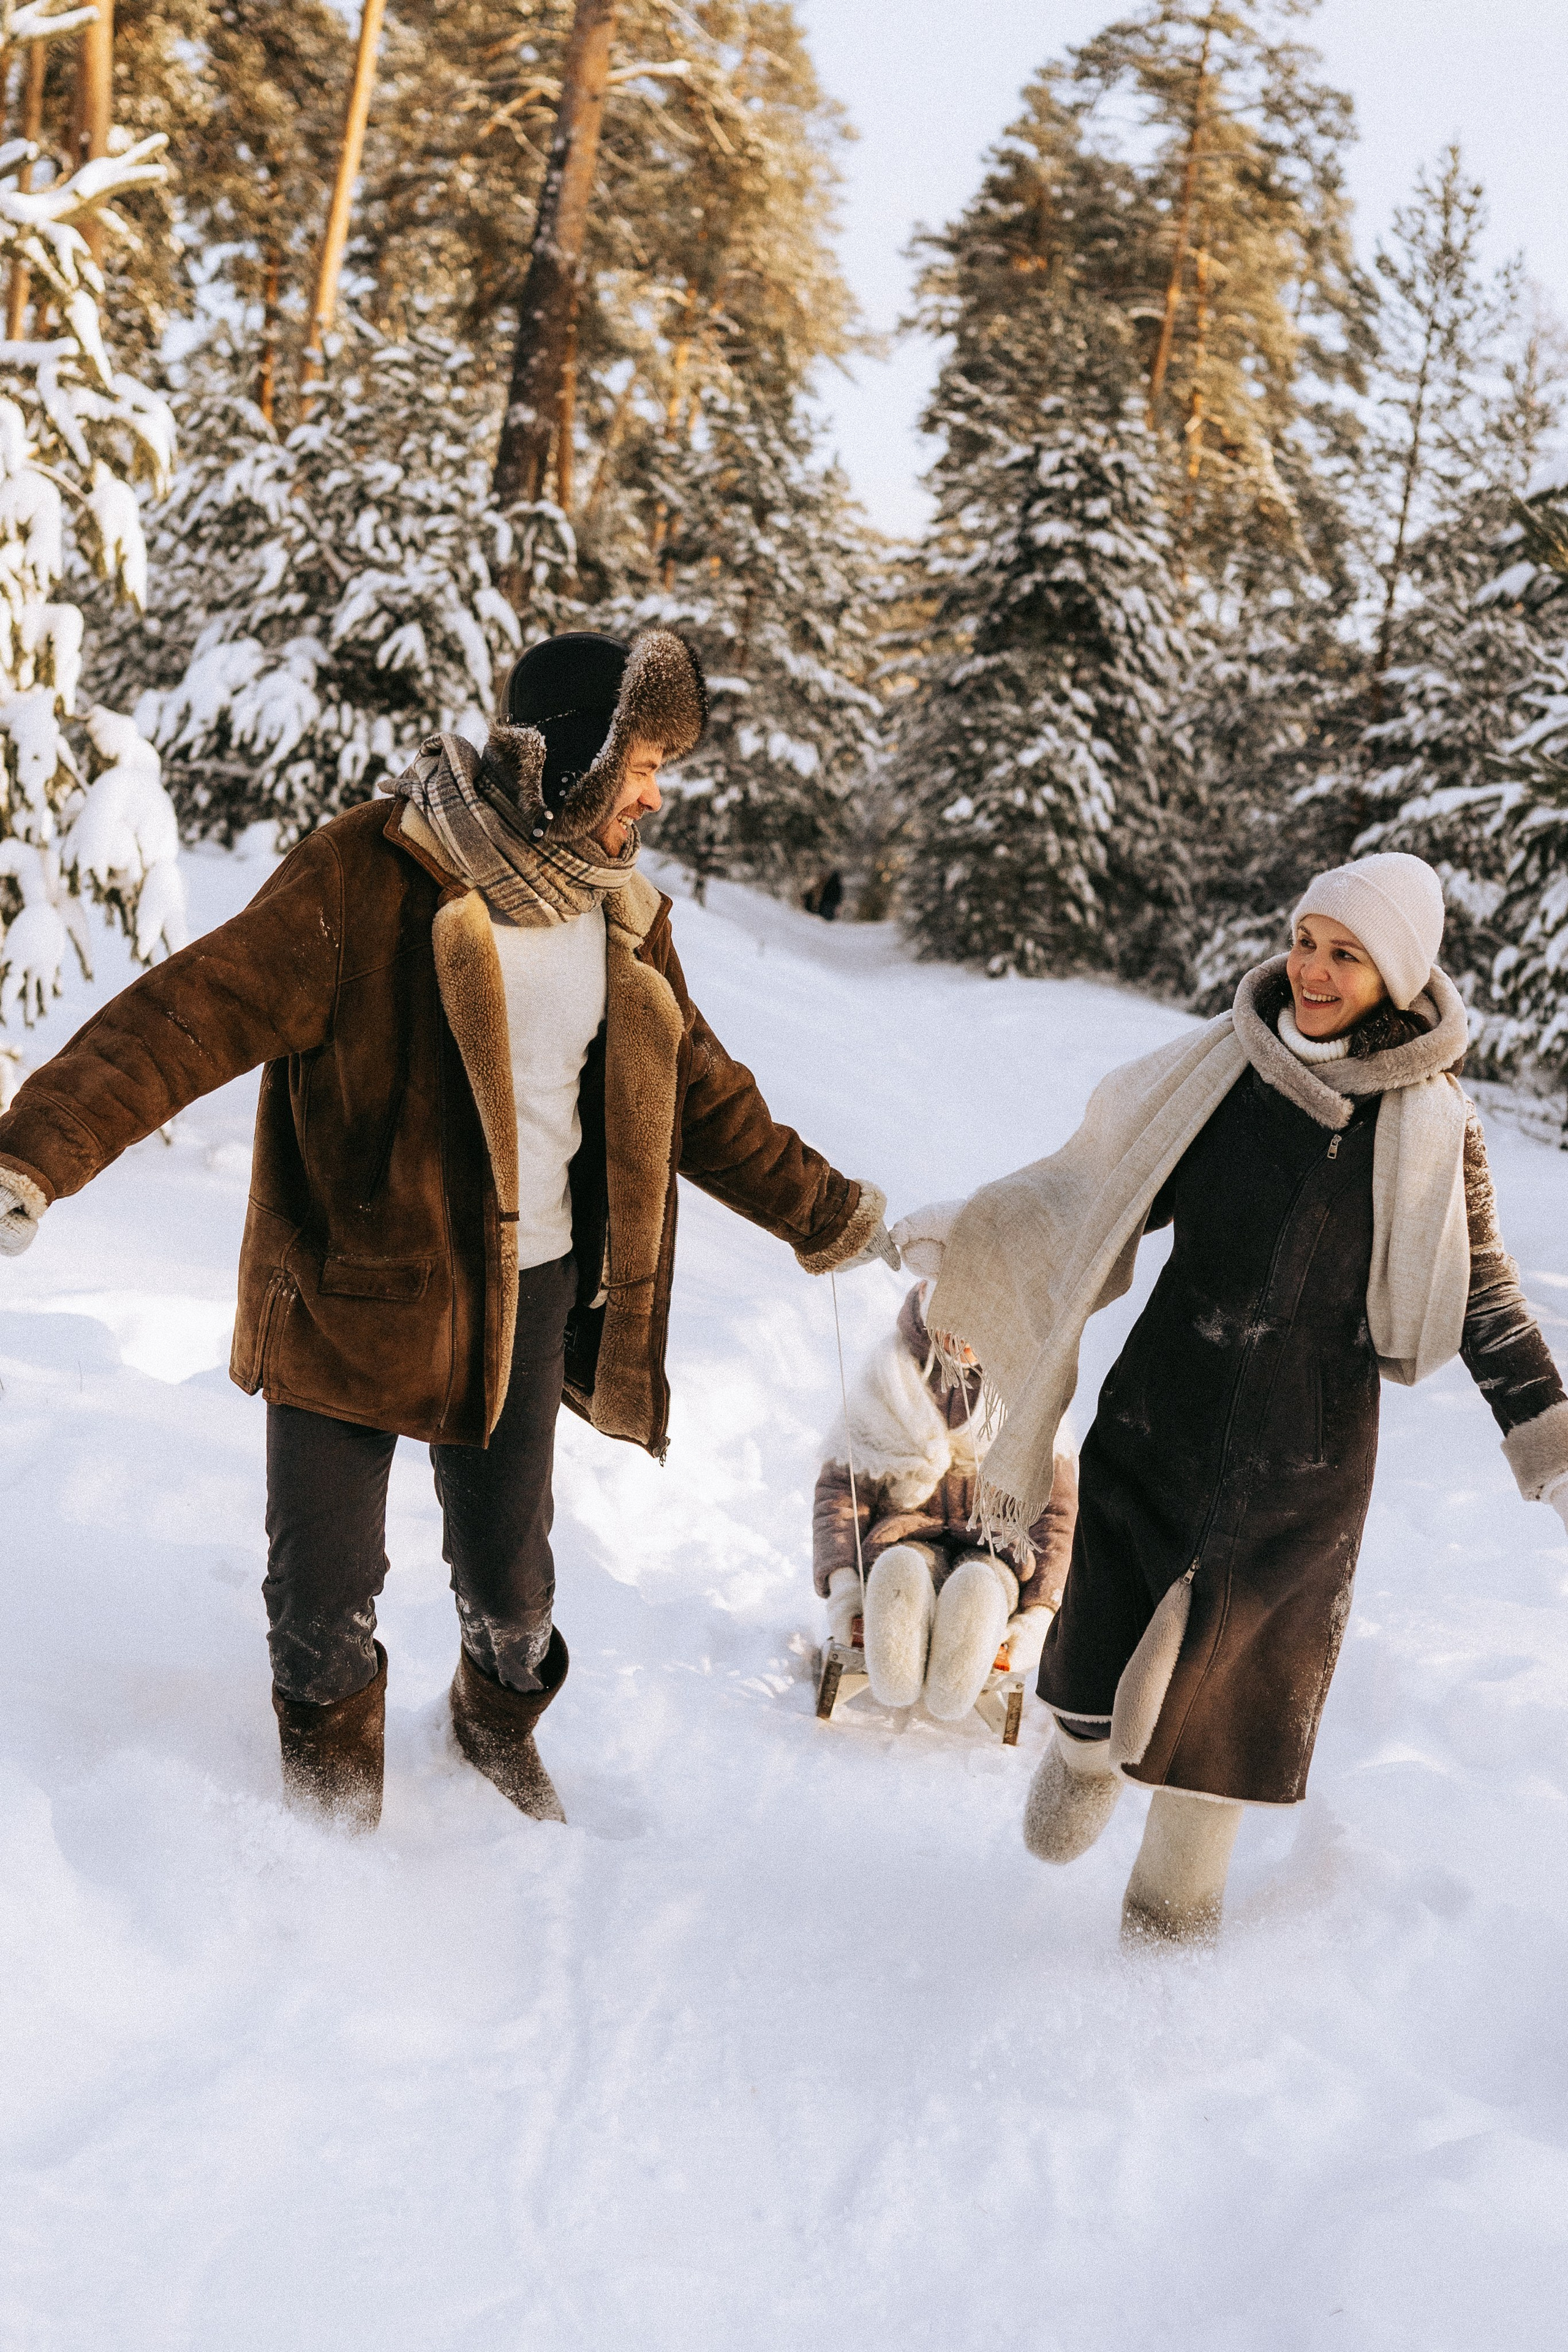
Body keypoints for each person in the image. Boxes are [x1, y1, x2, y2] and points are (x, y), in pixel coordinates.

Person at [0, 628, 897, 1831]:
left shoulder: (622, 917)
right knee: (320, 1606)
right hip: (349, 1296)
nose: (654, 794)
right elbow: (186, 1014)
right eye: (641, 765)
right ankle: (331, 1825)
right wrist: (35, 1152)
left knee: (513, 1596)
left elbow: (704, 1098)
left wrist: (834, 1216)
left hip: (528, 1297)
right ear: (574, 761)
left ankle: (491, 1729)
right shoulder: (369, 876)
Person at [894, 853, 1568, 1945]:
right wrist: (966, 1235)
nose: (1312, 969)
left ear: (1397, 978)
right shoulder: (1223, 1071)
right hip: (1163, 1416)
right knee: (1102, 1641)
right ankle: (1084, 1750)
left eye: (1346, 956)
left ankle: (1170, 1929)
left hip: (1305, 1467)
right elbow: (1090, 1185)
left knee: (1231, 1705)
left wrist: (1552, 1445)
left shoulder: (1437, 1128)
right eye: (1306, 941)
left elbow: (1484, 1293)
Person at [813, 1280, 1076, 1719]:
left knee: (983, 1582)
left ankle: (974, 1624)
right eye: (952, 1316)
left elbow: (1055, 1513)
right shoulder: (888, 1375)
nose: (965, 1336)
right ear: (926, 1303)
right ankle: (896, 1614)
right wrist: (844, 1585)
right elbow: (842, 1493)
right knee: (901, 1566)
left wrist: (1039, 1613)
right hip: (902, 1538)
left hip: (996, 1548)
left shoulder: (1028, 1389)